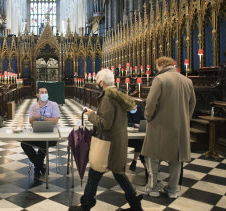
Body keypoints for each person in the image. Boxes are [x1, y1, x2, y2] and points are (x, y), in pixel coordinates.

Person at [81, 69, 142, 211]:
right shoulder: (117, 94)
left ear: (102, 82)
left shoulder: (108, 97)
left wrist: (91, 115)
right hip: (116, 140)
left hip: (107, 142)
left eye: (97, 82)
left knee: (97, 171)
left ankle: (86, 204)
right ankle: (135, 204)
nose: (97, 84)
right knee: (117, 172)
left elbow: (104, 124)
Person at [137, 56, 196, 199]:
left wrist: (148, 118)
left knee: (152, 156)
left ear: (162, 65)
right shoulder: (187, 81)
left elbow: (151, 103)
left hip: (159, 126)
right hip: (179, 127)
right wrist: (185, 120)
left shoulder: (160, 79)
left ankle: (153, 188)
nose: (156, 69)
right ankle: (173, 190)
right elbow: (192, 103)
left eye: (157, 66)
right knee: (176, 159)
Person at [21, 86, 61, 179]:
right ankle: (40, 165)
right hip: (37, 135)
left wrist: (41, 117)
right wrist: (35, 114)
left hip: (51, 136)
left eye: (46, 92)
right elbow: (31, 122)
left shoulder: (53, 105)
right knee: (24, 143)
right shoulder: (33, 106)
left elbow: (55, 121)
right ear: (37, 95)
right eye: (42, 92)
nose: (44, 94)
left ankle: (37, 168)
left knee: (44, 143)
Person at [127, 105, 146, 172]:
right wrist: (134, 125)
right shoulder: (126, 112)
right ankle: (146, 169)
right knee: (141, 144)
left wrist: (141, 125)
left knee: (141, 142)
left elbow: (144, 121)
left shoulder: (139, 110)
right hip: (129, 137)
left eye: (135, 106)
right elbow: (126, 123)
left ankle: (134, 161)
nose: (133, 108)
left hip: (139, 134)